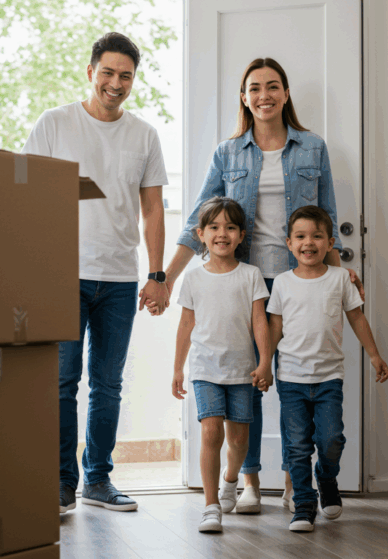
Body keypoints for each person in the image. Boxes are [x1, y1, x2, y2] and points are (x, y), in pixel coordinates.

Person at [151, 57, 362, 513]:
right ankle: (249, 481)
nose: (263, 95)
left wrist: (337, 267)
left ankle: (293, 482)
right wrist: (164, 278)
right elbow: (198, 221)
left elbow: (325, 215)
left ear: (285, 93)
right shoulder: (228, 153)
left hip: (297, 279)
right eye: (254, 88)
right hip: (243, 280)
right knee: (249, 379)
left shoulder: (313, 147)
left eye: (272, 86)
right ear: (243, 97)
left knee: (292, 380)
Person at [22, 32, 170, 514]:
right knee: (63, 381)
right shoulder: (54, 124)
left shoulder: (144, 135)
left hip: (121, 278)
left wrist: (158, 275)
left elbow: (153, 210)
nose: (115, 83)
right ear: (90, 72)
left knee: (108, 385)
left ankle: (98, 479)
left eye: (125, 75)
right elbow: (27, 193)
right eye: (107, 72)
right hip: (64, 274)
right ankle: (61, 482)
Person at [267, 205, 388, 532]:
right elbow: (275, 327)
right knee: (296, 445)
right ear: (289, 244)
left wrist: (374, 355)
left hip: (328, 379)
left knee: (331, 438)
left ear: (330, 242)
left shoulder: (340, 279)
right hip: (290, 378)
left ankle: (327, 479)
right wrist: (263, 364)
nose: (309, 243)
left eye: (317, 236)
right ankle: (304, 505)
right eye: (301, 236)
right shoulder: (281, 283)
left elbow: (356, 317)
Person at [170, 197, 272, 533]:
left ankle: (232, 480)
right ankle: (211, 505)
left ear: (242, 235)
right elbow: (186, 326)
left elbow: (260, 321)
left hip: (242, 370)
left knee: (239, 439)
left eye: (230, 227)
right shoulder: (194, 280)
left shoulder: (251, 275)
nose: (222, 233)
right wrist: (177, 368)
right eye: (214, 227)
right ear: (200, 233)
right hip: (205, 370)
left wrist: (265, 362)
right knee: (211, 432)